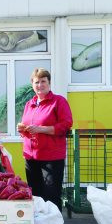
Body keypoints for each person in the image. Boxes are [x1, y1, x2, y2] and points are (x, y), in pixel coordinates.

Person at [17, 68, 73, 212]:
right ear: (32, 85)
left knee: (51, 196)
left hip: (51, 158)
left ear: (49, 83)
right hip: (30, 157)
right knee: (35, 195)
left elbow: (66, 125)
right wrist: (22, 130)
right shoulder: (30, 104)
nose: (40, 85)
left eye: (43, 81)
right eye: (37, 82)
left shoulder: (58, 101)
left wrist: (42, 129)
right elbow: (29, 128)